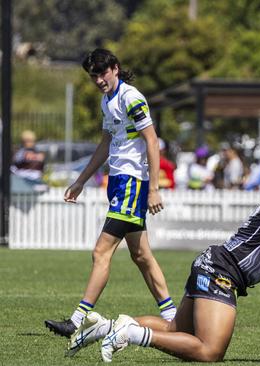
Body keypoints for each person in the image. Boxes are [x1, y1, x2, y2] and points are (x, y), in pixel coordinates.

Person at [64, 156, 260, 362]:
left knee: (176, 330)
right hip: (221, 270)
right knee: (210, 351)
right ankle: (131, 333)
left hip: (214, 263)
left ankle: (104, 327)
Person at [44, 48, 176, 338]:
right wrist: (80, 181)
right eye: (94, 76)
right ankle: (175, 318)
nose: (99, 80)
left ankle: (76, 321)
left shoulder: (131, 97)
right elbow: (105, 143)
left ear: (115, 68)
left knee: (100, 251)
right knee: (141, 255)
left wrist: (153, 189)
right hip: (118, 182)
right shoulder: (107, 101)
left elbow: (152, 142)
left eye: (102, 73)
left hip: (132, 184)